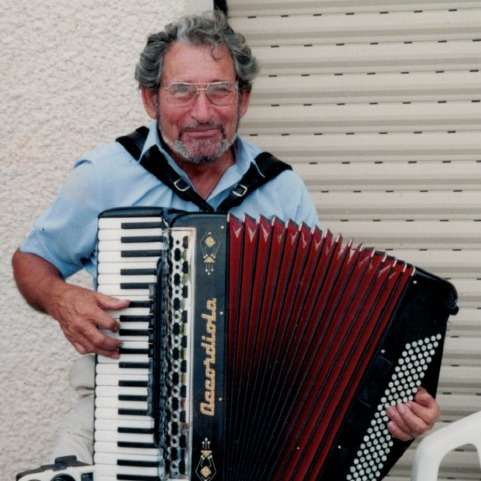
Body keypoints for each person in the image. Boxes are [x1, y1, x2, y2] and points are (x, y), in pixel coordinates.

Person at [12, 10, 439, 467]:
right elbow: (33, 259)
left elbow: (324, 327)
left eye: (219, 91)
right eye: (182, 92)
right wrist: (61, 298)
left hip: (256, 428)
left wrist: (390, 398)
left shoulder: (280, 188)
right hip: (121, 409)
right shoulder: (105, 176)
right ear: (150, 100)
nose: (202, 113)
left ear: (244, 99)